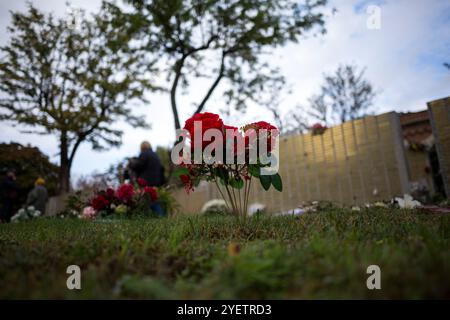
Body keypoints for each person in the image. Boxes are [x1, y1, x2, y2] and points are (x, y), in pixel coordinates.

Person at [129, 141, 166, 216]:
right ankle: (161, 216)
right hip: (157, 182)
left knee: (149, 201)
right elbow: (162, 168)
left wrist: (132, 164)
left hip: (146, 182)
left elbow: (139, 166)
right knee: (154, 200)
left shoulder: (144, 154)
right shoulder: (155, 155)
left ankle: (161, 216)